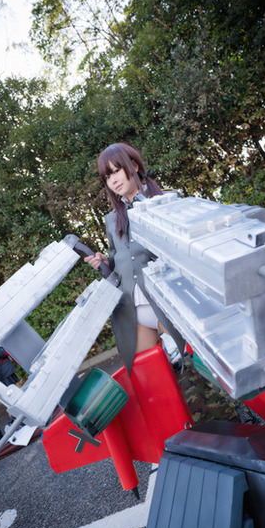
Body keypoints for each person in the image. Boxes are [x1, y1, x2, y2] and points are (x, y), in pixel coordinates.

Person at [85, 142, 184, 375]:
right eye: (107, 177)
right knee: (152, 376)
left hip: (166, 302)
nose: (113, 180)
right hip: (132, 311)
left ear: (135, 166)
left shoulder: (167, 200)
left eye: (116, 171)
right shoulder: (112, 219)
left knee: (202, 364)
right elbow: (117, 259)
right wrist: (105, 263)